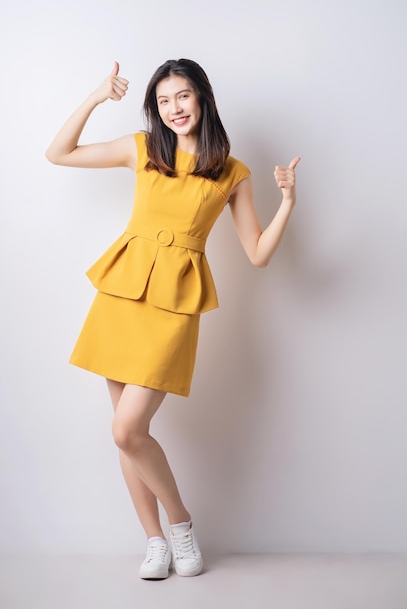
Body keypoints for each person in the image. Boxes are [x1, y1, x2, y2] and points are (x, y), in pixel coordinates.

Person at [46, 59, 300, 580]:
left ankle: (180, 523)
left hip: (174, 305)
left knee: (126, 428)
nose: (173, 109)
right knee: (126, 434)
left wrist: (289, 202)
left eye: (182, 96)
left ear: (202, 98)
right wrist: (96, 97)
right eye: (163, 101)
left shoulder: (232, 171)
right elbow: (59, 153)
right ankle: (156, 541)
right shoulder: (142, 149)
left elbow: (257, 254)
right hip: (121, 294)